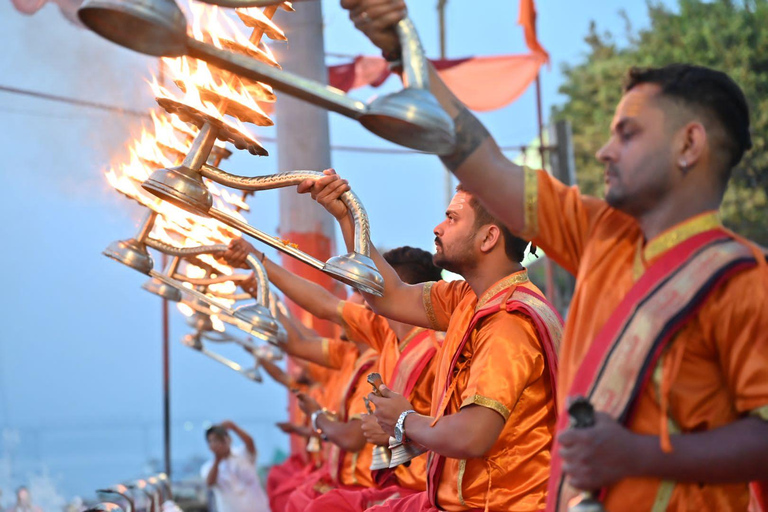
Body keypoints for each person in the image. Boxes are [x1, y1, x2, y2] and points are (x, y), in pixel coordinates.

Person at [338, 3, 768, 510]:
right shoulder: (600, 234)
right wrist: (401, 45)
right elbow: (482, 163)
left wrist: (638, 454)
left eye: (627, 134)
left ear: (689, 144)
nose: (605, 151)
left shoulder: (743, 279)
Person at [301, 174, 562, 511]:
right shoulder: (468, 298)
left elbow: (472, 435)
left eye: (452, 218)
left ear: (488, 237)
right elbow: (389, 295)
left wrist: (403, 420)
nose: (438, 228)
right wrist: (348, 214)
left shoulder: (507, 321)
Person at [225, 239, 445, 510]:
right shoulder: (384, 333)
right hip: (393, 484)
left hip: (420, 488)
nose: (364, 298)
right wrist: (261, 264)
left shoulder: (438, 347)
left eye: (368, 288)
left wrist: (321, 417)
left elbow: (453, 430)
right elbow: (322, 308)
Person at [201, 421, 269, 512]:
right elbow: (210, 482)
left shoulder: (242, 454)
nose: (218, 444)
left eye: (220, 439)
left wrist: (234, 427)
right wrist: (217, 459)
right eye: (213, 441)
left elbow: (251, 444)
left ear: (229, 439)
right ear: (209, 446)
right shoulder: (208, 467)